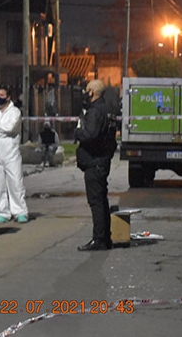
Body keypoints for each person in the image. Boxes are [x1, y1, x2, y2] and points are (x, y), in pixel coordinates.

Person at [75, 79, 117, 251]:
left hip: (95, 161)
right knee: (101, 200)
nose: (85, 93)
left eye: (87, 90)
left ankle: (99, 239)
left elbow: (90, 135)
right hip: (102, 160)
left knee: (96, 202)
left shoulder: (95, 111)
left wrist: (78, 131)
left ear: (92, 92)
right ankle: (105, 238)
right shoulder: (108, 110)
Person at [0, 86, 29, 224]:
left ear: (8, 97)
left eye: (1, 94)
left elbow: (10, 128)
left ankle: (20, 211)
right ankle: (2, 212)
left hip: (11, 152)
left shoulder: (15, 112)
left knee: (15, 183)